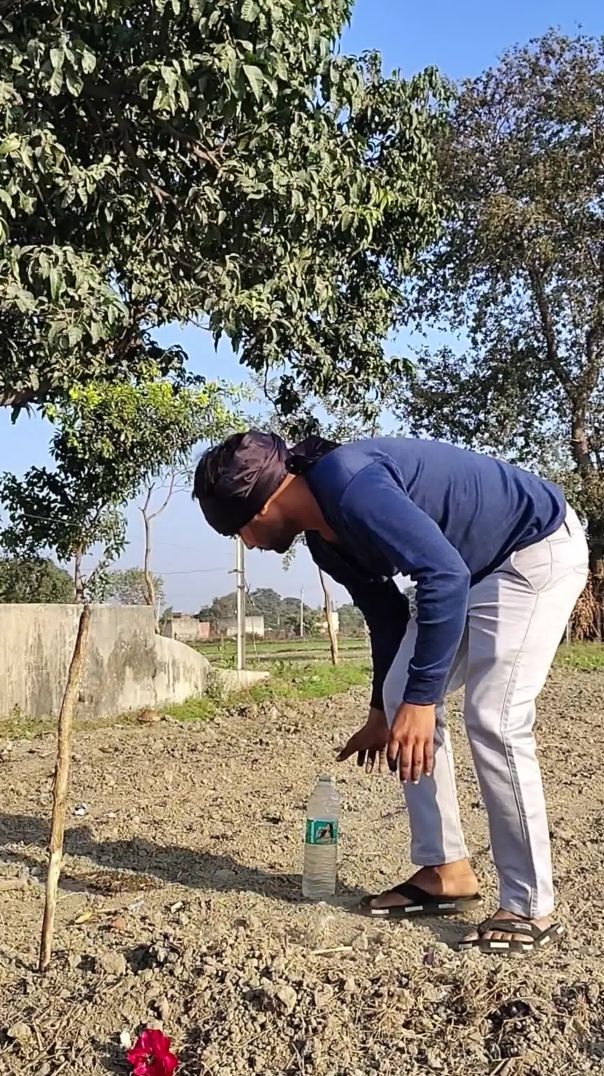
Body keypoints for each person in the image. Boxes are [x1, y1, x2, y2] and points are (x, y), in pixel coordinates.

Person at [193, 430, 588, 955]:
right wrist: (384, 709)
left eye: (240, 528)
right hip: (471, 569)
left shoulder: (349, 484)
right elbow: (387, 618)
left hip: (531, 549)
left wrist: (424, 702)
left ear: (263, 503)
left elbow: (442, 575)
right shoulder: (324, 541)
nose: (246, 542)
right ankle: (445, 871)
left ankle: (528, 904)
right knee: (403, 693)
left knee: (493, 715)